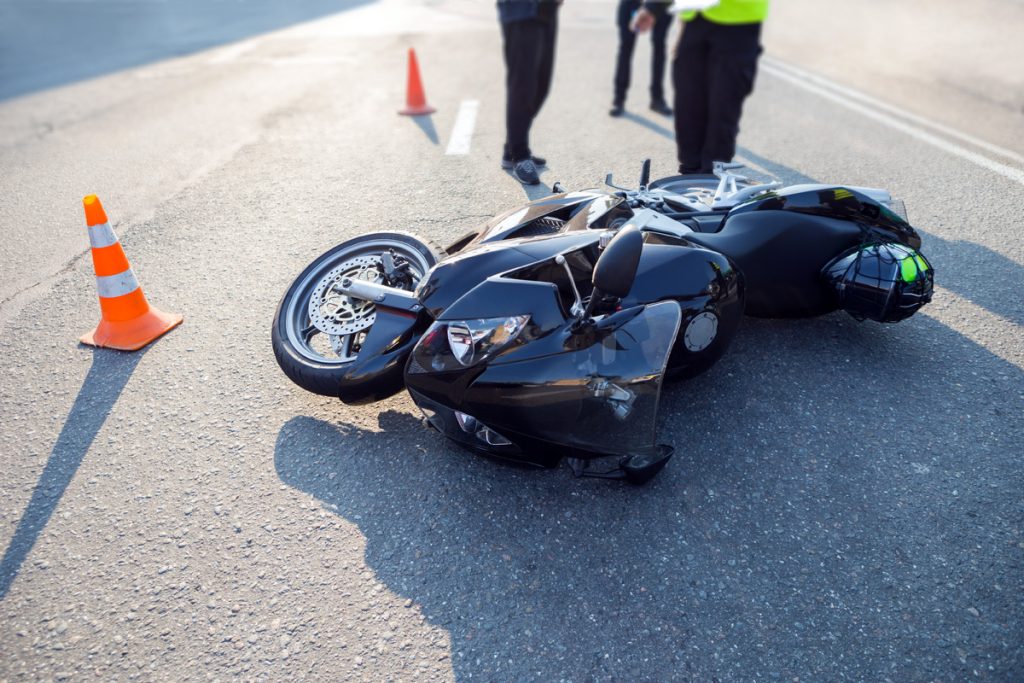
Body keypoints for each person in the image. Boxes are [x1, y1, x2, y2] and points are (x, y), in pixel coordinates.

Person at [635, 0, 769, 174]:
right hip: (694, 18)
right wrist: (655, 6)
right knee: (687, 103)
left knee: (723, 106)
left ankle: (712, 178)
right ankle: (688, 175)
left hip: (738, 22)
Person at [497, 0, 562, 185]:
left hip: (546, 10)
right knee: (522, 86)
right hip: (521, 11)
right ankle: (519, 154)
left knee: (541, 85)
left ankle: (511, 149)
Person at [609, 0, 674, 118]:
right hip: (632, 3)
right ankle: (619, 99)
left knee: (659, 45)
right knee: (626, 46)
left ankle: (657, 99)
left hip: (661, 4)